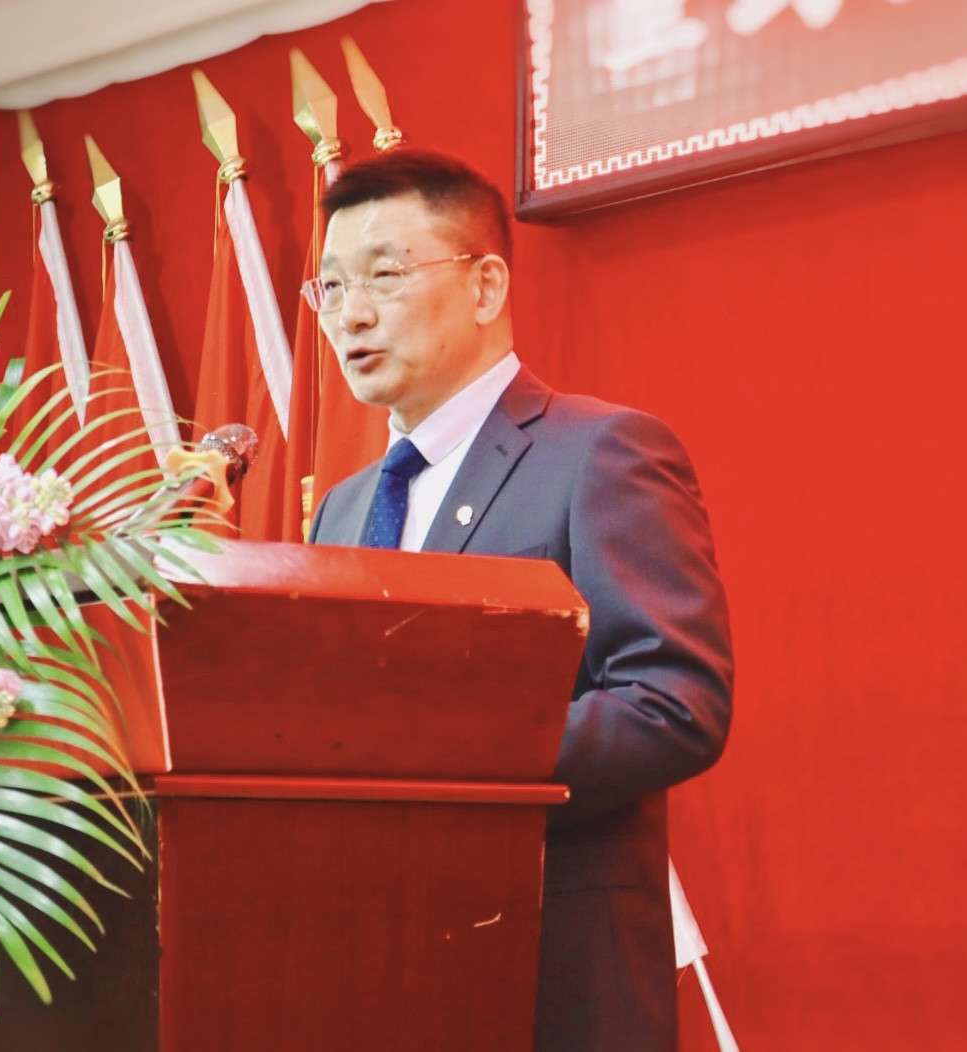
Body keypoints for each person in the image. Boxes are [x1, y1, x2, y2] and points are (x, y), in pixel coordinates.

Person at [306, 149, 734, 1051]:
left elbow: (674, 701)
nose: (352, 313)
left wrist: (445, 767)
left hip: (552, 973)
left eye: (384, 275)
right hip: (375, 969)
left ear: (486, 285)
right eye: (331, 286)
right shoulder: (341, 506)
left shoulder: (599, 452)